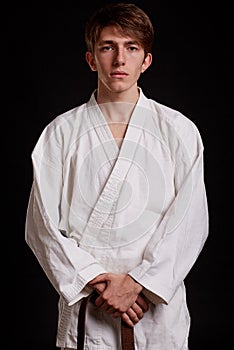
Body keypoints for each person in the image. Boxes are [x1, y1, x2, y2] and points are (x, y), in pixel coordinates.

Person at [25, 2, 209, 349]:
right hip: (89, 302)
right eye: (108, 47)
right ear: (92, 59)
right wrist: (95, 280)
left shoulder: (178, 131)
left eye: (132, 48)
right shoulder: (61, 133)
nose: (119, 59)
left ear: (146, 60)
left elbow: (190, 221)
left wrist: (138, 283)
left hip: (153, 306)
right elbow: (41, 224)